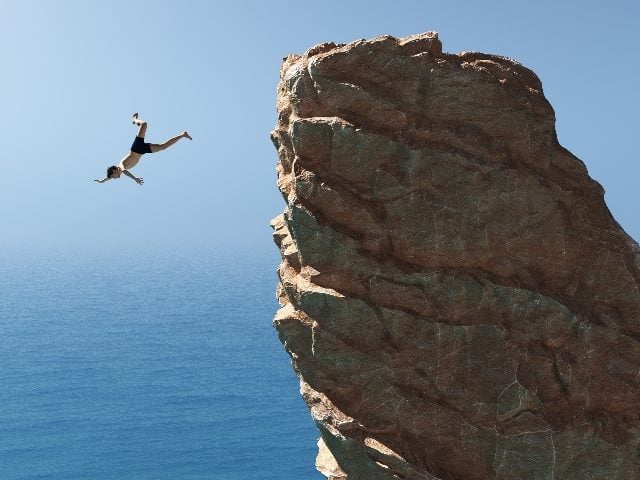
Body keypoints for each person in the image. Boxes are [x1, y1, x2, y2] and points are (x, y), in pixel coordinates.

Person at [94, 113, 192, 185]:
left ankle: (135, 119)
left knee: (144, 124)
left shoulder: (121, 165)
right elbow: (109, 178)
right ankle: (183, 135)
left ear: (114, 171)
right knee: (163, 146)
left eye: (113, 177)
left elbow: (124, 171)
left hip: (136, 147)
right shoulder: (118, 172)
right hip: (142, 151)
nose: (115, 179)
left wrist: (135, 178)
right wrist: (102, 181)